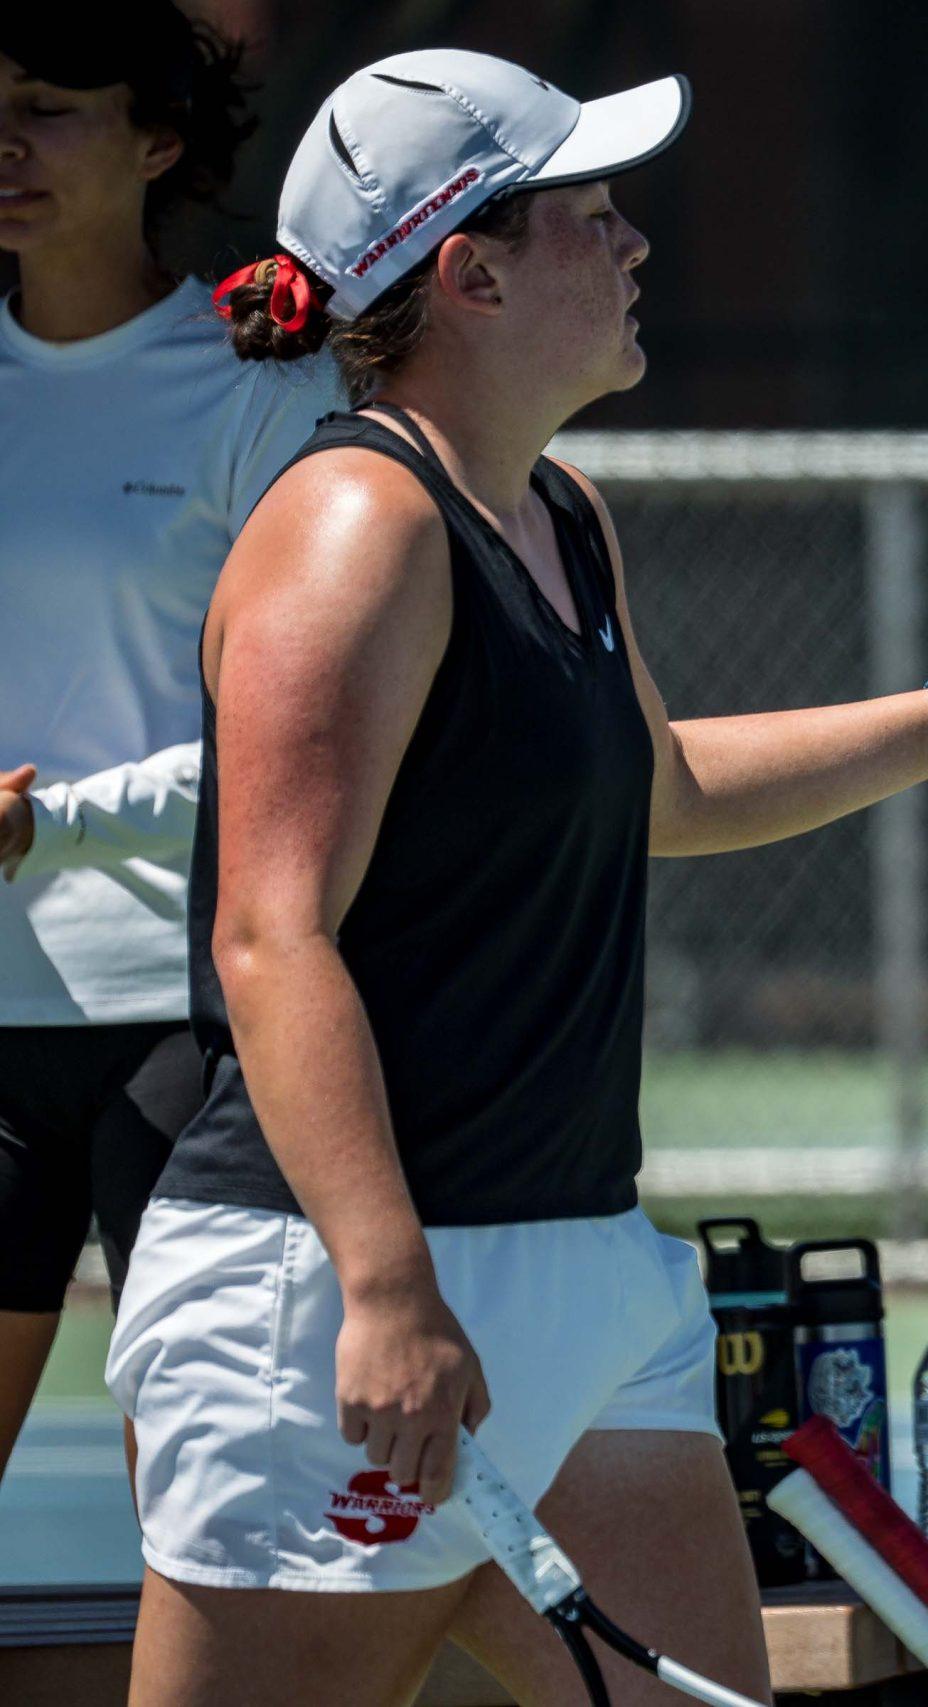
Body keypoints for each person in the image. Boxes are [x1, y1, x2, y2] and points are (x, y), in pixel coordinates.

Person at [102, 50, 928, 1705]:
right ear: (475, 271)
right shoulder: (351, 529)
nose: (636, 244)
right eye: (594, 216)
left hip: (590, 1268)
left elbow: (664, 787)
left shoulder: (562, 513)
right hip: (336, 1294)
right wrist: (387, 1285)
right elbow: (269, 933)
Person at [0, 4, 341, 1482]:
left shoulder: (264, 387)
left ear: (158, 141)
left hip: (190, 1033)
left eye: (50, 106)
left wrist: (50, 826)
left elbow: (304, 752)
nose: (5, 140)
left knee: (203, 1535)